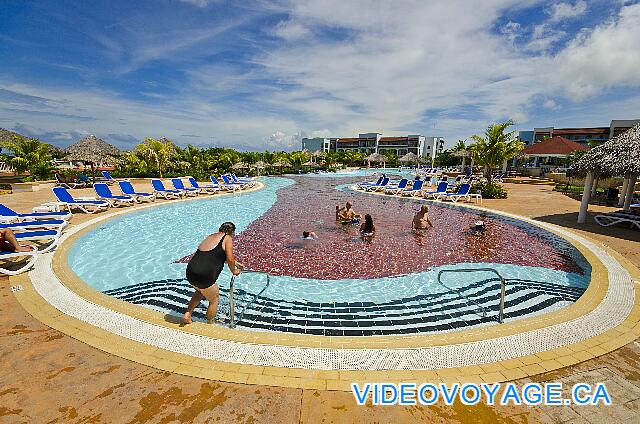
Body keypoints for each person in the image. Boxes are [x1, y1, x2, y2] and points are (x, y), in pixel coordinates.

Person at [182, 222, 243, 325]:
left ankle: (188, 314)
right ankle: (210, 322)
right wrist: (234, 270)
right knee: (214, 299)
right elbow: (229, 258)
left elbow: (212, 255)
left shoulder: (211, 237)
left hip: (191, 272)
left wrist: (235, 263)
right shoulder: (227, 238)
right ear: (232, 232)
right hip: (205, 276)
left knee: (200, 291)